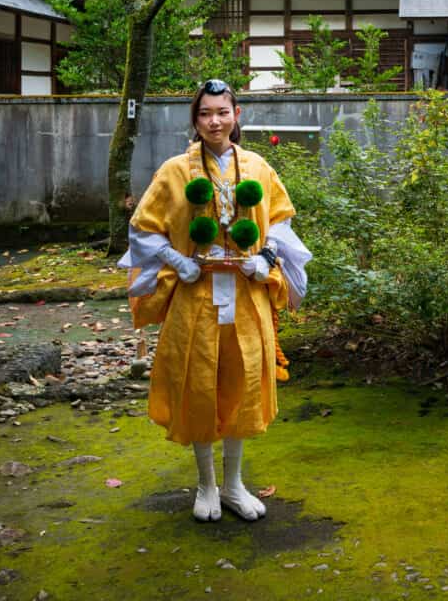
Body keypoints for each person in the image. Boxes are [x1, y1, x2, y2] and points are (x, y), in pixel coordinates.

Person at [118, 79, 311, 522]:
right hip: (194, 294)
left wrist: (265, 257)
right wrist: (174, 258)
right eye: (205, 113)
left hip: (245, 293)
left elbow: (280, 224)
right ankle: (205, 485)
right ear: (196, 119)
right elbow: (143, 228)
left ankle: (234, 485)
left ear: (236, 115)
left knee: (241, 385)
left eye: (222, 112)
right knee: (198, 385)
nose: (214, 121)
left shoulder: (259, 168)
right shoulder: (173, 171)